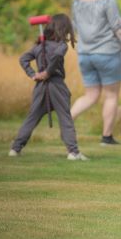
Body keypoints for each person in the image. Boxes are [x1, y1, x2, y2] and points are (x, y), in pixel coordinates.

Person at [70, 0, 121, 146]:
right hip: (107, 54)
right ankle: (106, 137)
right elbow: (117, 26)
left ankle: (67, 122)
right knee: (111, 95)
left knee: (90, 96)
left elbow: (74, 27)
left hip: (85, 55)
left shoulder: (77, 1)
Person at [9, 14, 88, 161]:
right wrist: (46, 72)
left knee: (32, 118)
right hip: (56, 85)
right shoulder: (61, 46)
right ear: (64, 29)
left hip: (41, 87)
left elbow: (23, 58)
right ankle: (73, 152)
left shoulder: (39, 47)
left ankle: (15, 148)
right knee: (65, 118)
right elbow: (57, 57)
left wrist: (33, 74)